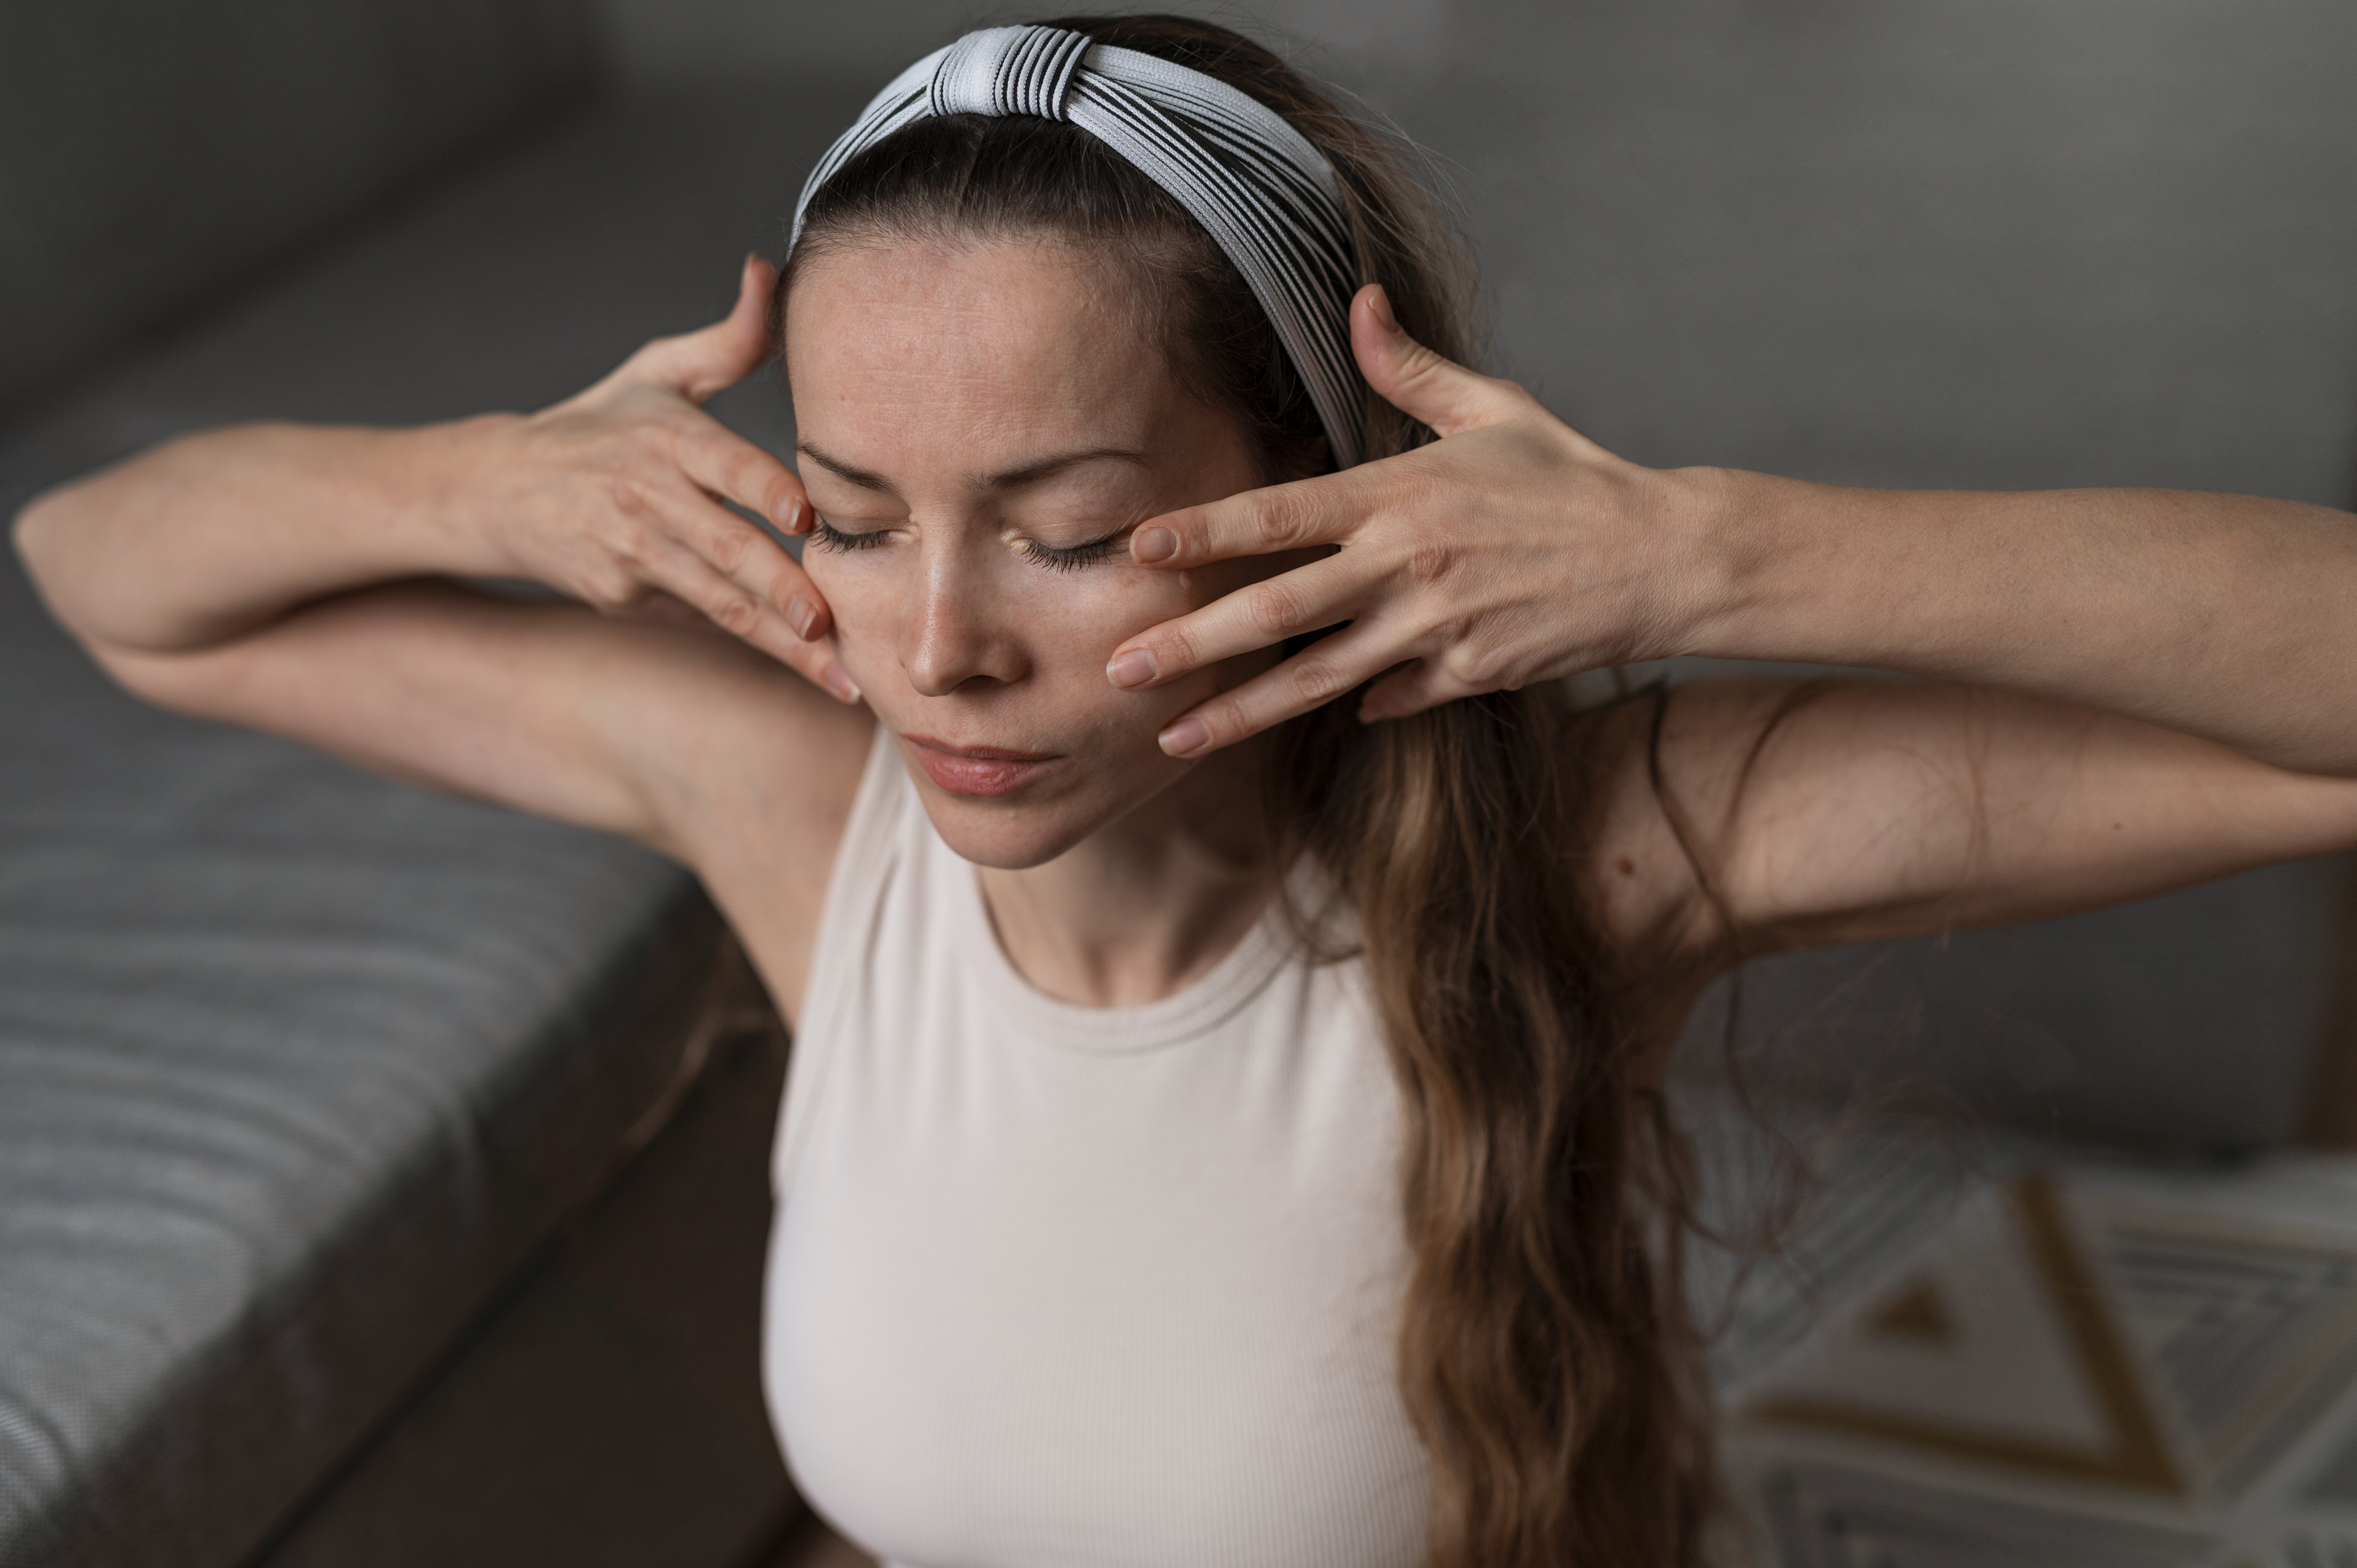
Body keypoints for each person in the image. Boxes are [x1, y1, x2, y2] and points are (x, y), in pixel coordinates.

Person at [14, 13, 2357, 1567]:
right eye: (851, 507)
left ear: (1319, 487)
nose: (934, 642)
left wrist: (1705, 545)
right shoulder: (800, 810)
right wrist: (489, 485)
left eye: (1062, 525)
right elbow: (108, 573)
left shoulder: (1590, 847)